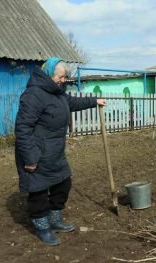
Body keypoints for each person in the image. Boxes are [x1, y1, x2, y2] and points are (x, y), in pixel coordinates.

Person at [14, 57, 106, 245]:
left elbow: (71, 103)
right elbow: (22, 129)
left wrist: (94, 100)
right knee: (38, 192)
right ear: (48, 74)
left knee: (63, 184)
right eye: (61, 77)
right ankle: (42, 227)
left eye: (65, 78)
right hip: (37, 153)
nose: (64, 81)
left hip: (55, 152)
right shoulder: (33, 95)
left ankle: (55, 220)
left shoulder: (57, 92)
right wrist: (30, 159)